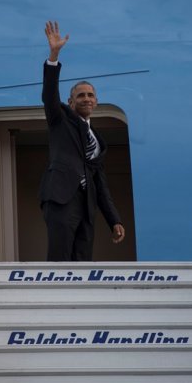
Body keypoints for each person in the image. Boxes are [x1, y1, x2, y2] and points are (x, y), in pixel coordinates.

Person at [39, 21, 125, 261]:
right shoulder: (60, 119)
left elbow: (101, 185)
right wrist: (54, 56)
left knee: (82, 262)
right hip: (60, 198)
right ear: (70, 101)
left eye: (90, 95)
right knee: (60, 258)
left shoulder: (98, 141)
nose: (86, 99)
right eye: (80, 95)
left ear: (96, 102)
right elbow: (49, 96)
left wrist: (114, 219)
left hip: (86, 206)